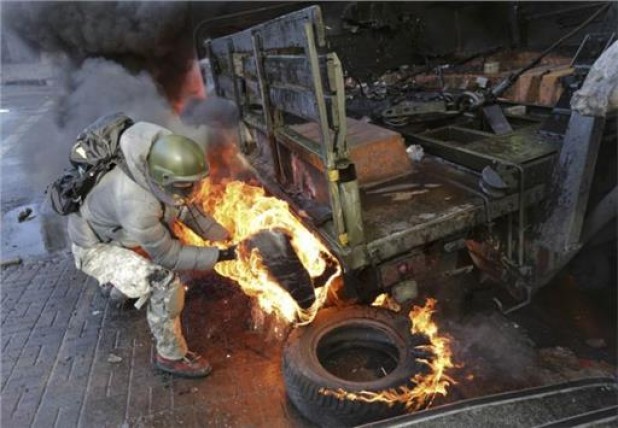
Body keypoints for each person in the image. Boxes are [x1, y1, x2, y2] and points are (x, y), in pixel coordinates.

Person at [67, 120, 236, 378]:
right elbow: (169, 256)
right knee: (164, 281)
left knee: (148, 255)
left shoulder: (156, 161)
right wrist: (224, 255)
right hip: (94, 248)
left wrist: (226, 238)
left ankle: (120, 287)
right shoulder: (136, 203)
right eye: (186, 186)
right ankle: (170, 355)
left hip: (115, 230)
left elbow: (187, 210)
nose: (192, 191)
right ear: (164, 180)